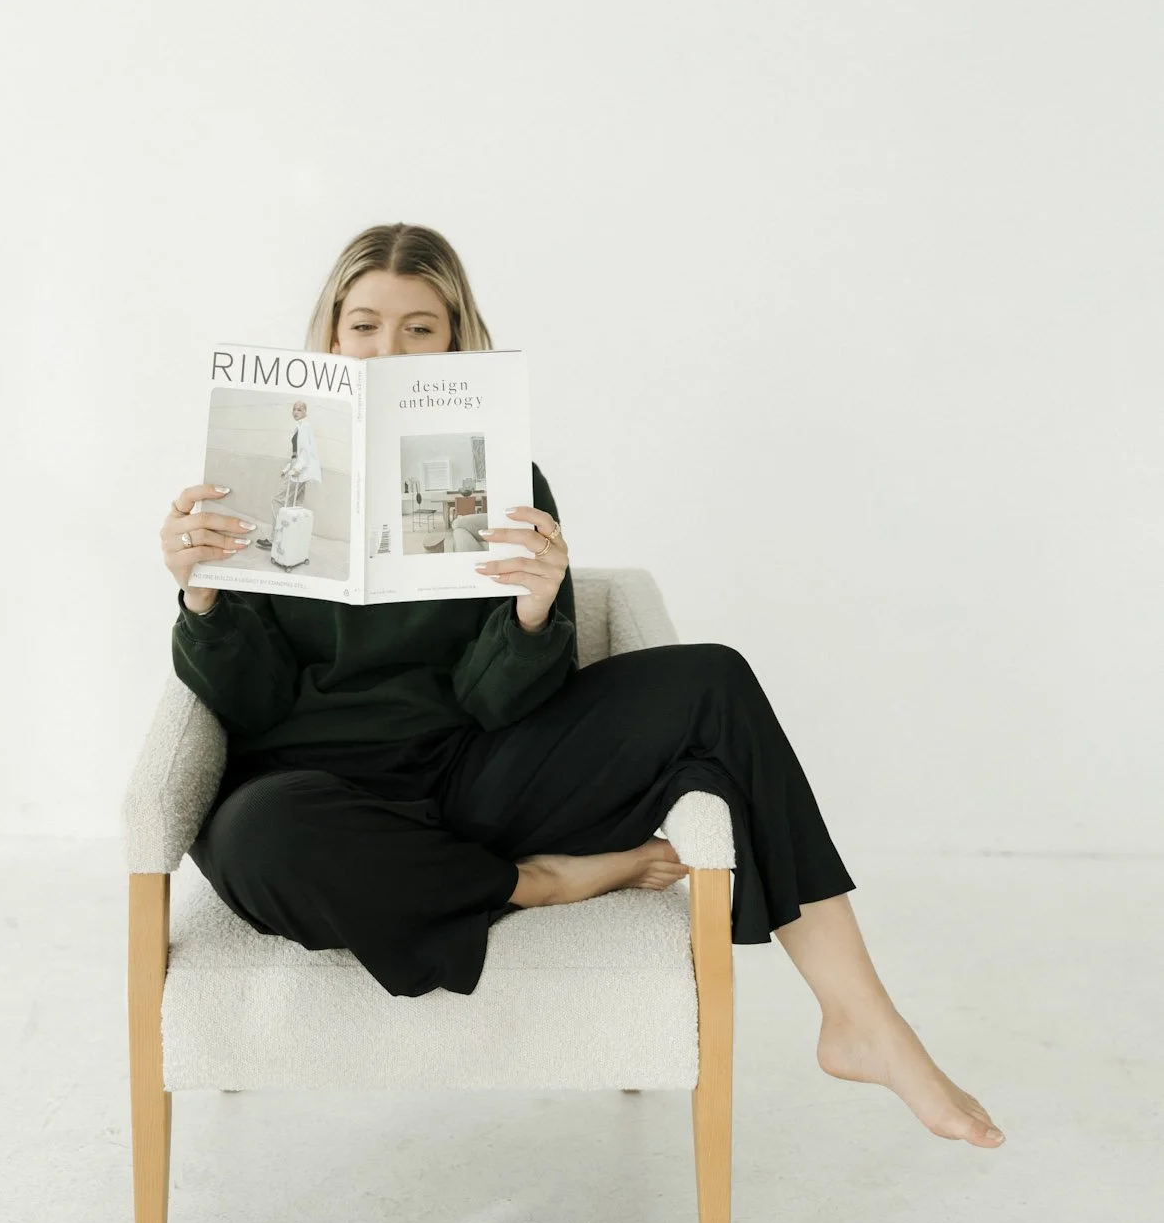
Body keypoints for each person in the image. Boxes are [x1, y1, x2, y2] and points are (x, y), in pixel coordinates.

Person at [159, 223, 1003, 1150]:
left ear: (454, 343)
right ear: (329, 337)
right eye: (364, 327)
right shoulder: (247, 484)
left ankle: (861, 1021)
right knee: (256, 838)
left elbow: (499, 702)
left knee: (713, 679)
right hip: (316, 795)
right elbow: (251, 705)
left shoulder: (511, 475)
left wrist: (532, 613)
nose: (387, 350)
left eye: (418, 330)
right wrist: (202, 597)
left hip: (474, 769)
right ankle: (540, 885)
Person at [254, 399, 322, 548]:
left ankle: (274, 539)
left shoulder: (304, 426)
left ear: (305, 412)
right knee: (294, 505)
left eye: (299, 409)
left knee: (278, 501)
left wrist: (296, 469)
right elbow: (297, 453)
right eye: (294, 409)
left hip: (300, 468)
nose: (295, 412)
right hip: (299, 466)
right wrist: (287, 468)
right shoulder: (300, 427)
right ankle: (290, 540)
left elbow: (305, 452)